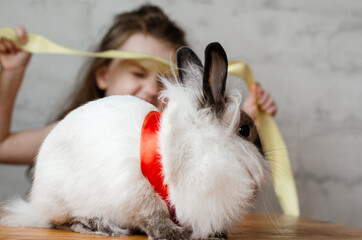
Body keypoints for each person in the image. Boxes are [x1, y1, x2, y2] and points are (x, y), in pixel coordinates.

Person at [0, 4, 277, 165]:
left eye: (163, 81)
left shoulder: (178, 145)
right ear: (103, 76)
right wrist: (12, 74)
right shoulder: (76, 131)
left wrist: (242, 124)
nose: (149, 90)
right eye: (137, 73)